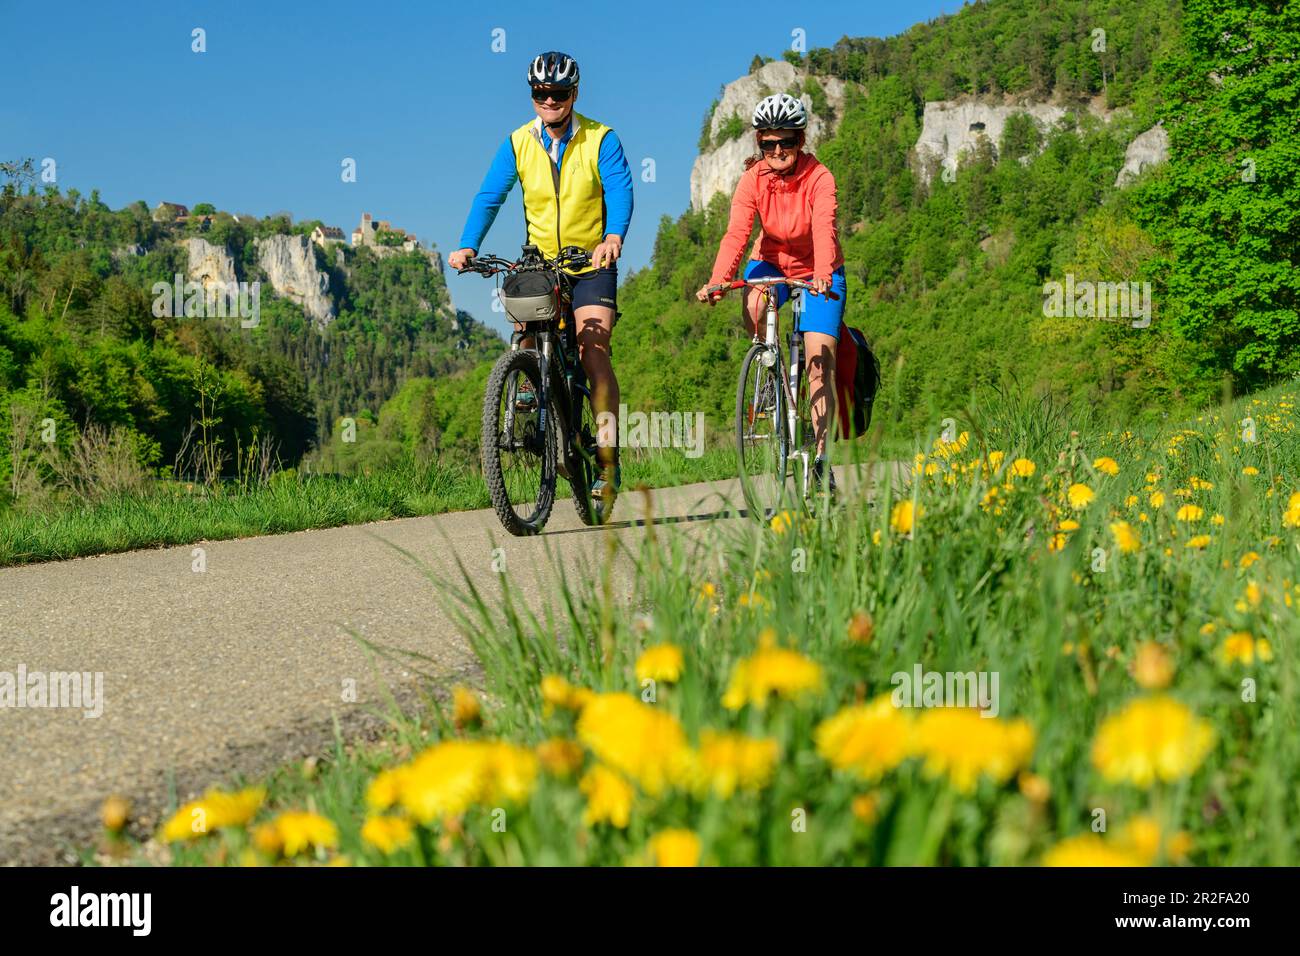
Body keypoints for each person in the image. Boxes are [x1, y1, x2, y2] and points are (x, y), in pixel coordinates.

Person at [449, 51, 633, 508]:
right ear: (532, 94)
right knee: (524, 333)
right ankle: (530, 385)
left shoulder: (600, 138)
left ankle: (608, 462)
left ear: (574, 94)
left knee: (594, 353)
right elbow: (490, 196)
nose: (548, 100)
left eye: (558, 93)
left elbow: (620, 189)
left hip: (590, 263)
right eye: (540, 93)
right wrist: (468, 244)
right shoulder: (517, 142)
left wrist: (612, 237)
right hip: (540, 264)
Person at [696, 93, 846, 494]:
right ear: (759, 143)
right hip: (772, 262)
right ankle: (767, 361)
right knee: (754, 300)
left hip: (820, 270)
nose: (778, 151)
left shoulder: (820, 178)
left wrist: (822, 274)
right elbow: (737, 234)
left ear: (800, 140)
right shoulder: (752, 180)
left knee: (818, 361)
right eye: (769, 144)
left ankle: (819, 458)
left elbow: (824, 229)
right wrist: (717, 280)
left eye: (787, 142)